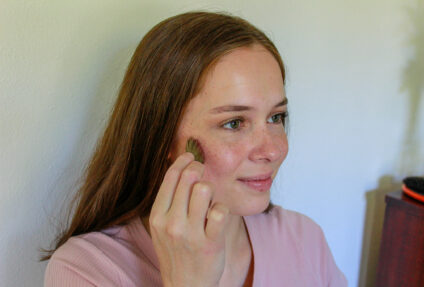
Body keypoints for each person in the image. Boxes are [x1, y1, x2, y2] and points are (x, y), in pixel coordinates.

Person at [42, 11, 348, 287]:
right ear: (161, 137)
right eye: (234, 123)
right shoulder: (88, 270)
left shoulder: (305, 240)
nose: (273, 150)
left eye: (276, 117)